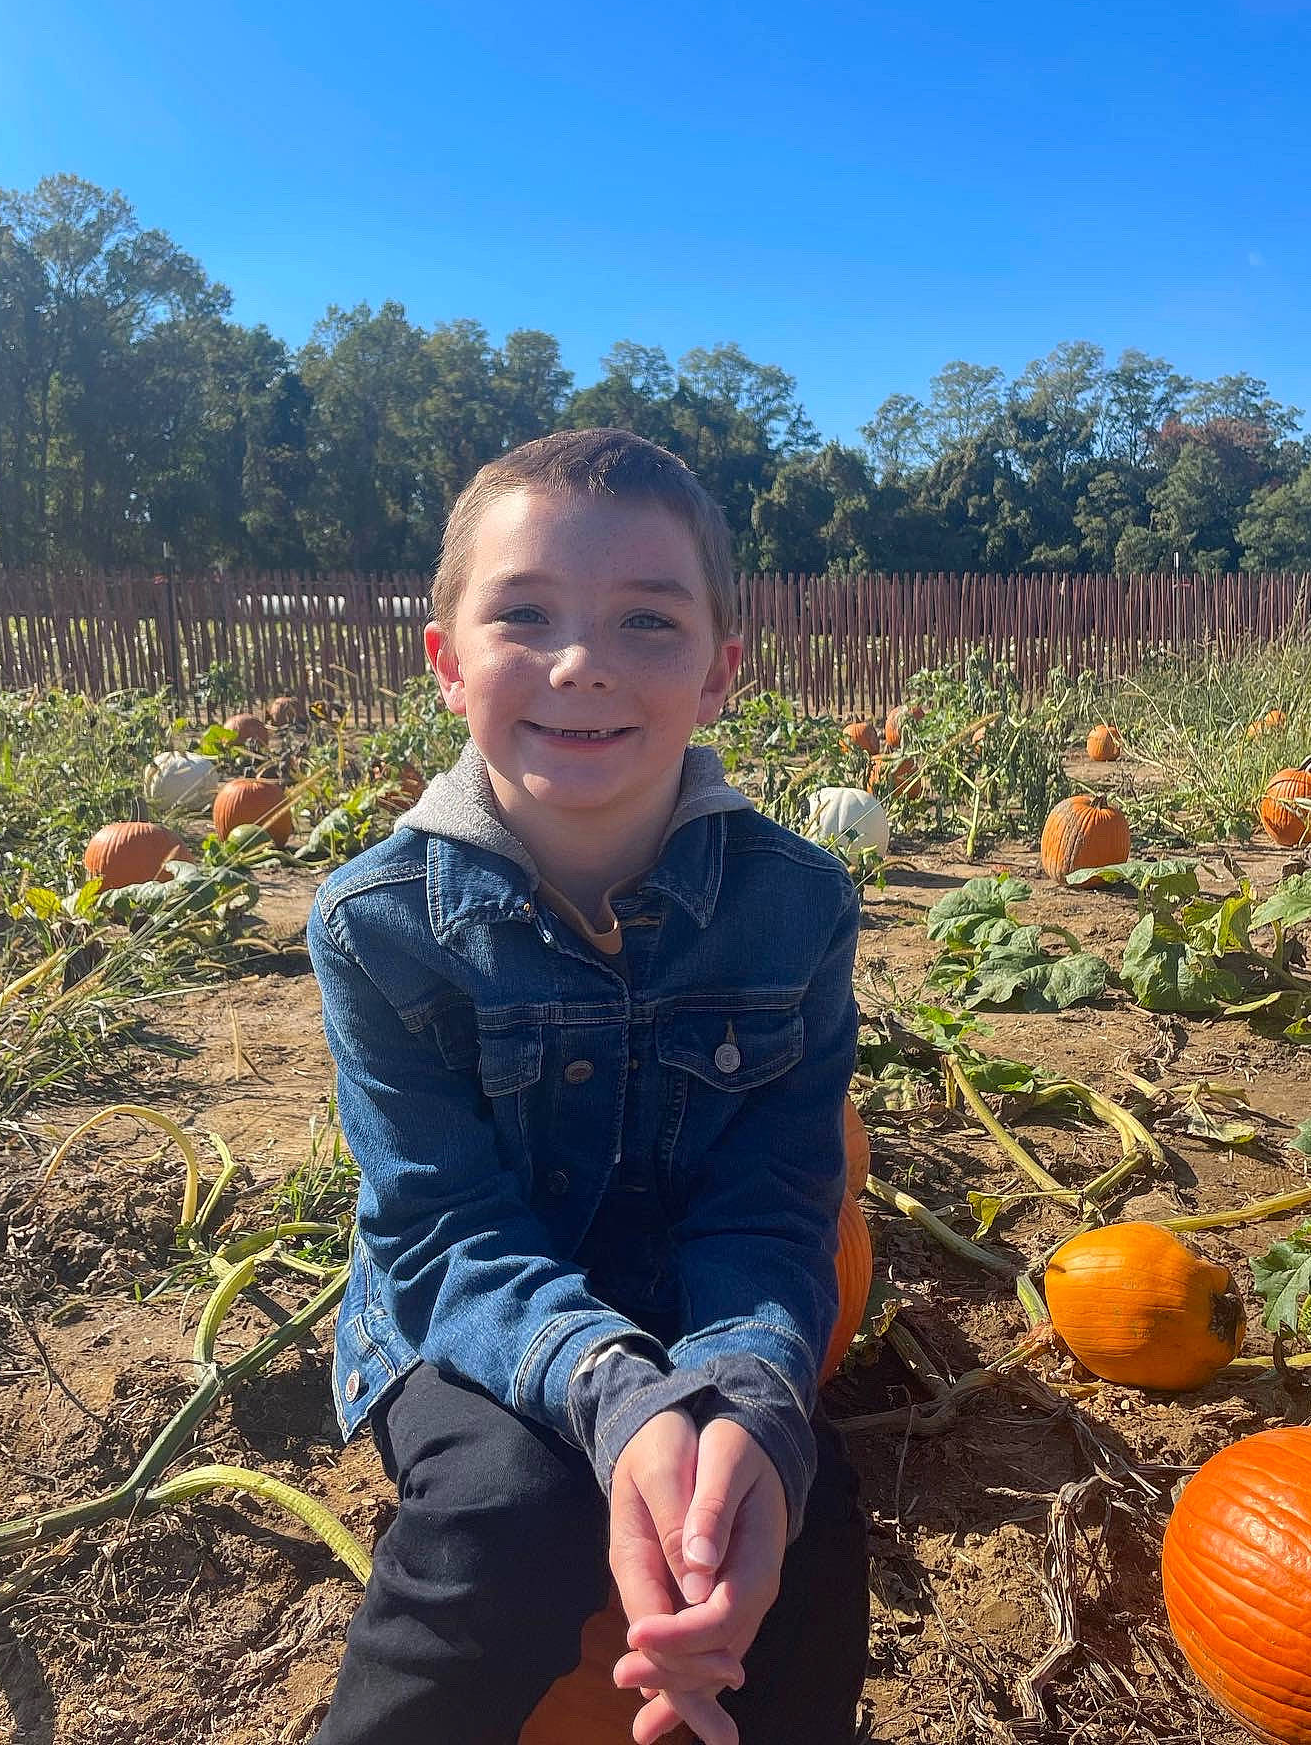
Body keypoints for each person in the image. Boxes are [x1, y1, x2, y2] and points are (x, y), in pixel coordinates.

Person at [307, 428, 869, 1745]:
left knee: (802, 1503)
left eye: (647, 621)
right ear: (446, 660)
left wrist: (740, 1400)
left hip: (698, 1287)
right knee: (509, 1503)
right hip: (465, 1305)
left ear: (721, 672)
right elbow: (442, 1226)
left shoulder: (796, 905)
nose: (582, 661)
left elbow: (777, 1200)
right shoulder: (376, 924)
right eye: (525, 614)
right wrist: (616, 1397)